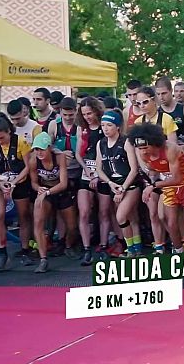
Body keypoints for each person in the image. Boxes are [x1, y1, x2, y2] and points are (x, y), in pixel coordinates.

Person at [128, 123, 184, 254]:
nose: (142, 151)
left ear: (154, 143)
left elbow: (177, 179)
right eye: (139, 148)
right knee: (171, 223)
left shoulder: (170, 149)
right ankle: (178, 252)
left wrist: (153, 186)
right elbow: (154, 173)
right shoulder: (143, 154)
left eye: (145, 147)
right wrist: (150, 182)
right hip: (168, 185)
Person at [0, 113, 33, 270]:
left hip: (19, 180)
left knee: (23, 216)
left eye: (2, 138)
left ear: (8, 132)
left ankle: (25, 250)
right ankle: (3, 251)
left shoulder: (21, 142)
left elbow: (28, 166)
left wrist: (14, 182)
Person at [95, 111, 143, 257]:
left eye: (109, 125)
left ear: (117, 127)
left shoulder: (126, 142)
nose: (105, 128)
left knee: (121, 216)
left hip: (129, 184)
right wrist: (110, 183)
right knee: (131, 217)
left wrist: (122, 188)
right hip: (114, 184)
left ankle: (131, 250)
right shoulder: (101, 143)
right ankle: (137, 247)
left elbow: (134, 169)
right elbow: (99, 168)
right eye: (103, 125)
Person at [28, 132, 74, 273]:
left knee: (72, 226)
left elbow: (63, 183)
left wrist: (47, 192)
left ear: (49, 148)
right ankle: (43, 259)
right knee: (38, 221)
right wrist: (39, 189)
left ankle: (68, 245)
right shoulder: (33, 160)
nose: (39, 152)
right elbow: (34, 183)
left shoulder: (59, 158)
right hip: (46, 192)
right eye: (36, 149)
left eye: (42, 149)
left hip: (60, 191)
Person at [46, 97, 81, 258]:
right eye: (65, 115)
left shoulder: (80, 126)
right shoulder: (54, 125)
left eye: (71, 115)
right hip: (60, 171)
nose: (68, 118)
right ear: (60, 112)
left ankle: (72, 241)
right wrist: (59, 152)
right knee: (59, 210)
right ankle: (60, 241)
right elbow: (47, 145)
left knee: (76, 210)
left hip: (77, 170)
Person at [75, 97, 107, 265]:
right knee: (84, 211)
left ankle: (103, 245)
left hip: (102, 172)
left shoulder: (104, 125)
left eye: (89, 113)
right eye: (84, 114)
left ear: (96, 111)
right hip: (86, 171)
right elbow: (78, 153)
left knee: (104, 212)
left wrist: (97, 173)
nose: (87, 117)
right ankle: (87, 248)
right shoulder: (82, 129)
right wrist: (87, 170)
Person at [156, 76, 184, 149]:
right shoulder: (156, 113)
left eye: (164, 93)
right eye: (158, 94)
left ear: (171, 91)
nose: (161, 97)